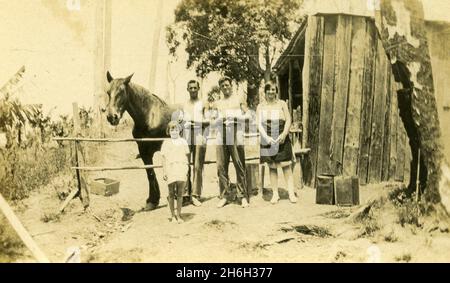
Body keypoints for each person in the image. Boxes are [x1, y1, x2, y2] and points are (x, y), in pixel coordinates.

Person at [209, 76, 250, 208]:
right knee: (221, 166)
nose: (225, 87)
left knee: (239, 165)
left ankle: (242, 195)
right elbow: (212, 122)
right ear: (220, 88)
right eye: (223, 86)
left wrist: (236, 117)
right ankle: (224, 195)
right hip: (221, 135)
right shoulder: (217, 103)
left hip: (236, 133)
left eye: (227, 85)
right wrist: (219, 121)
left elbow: (248, 115)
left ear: (231, 85)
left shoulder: (239, 99)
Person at [256, 81, 298, 204]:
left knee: (286, 166)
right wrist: (266, 138)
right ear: (265, 92)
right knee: (272, 166)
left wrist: (284, 134)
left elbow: (289, 119)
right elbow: (258, 123)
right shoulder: (261, 106)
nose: (271, 92)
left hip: (281, 136)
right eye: (268, 89)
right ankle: (275, 194)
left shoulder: (282, 104)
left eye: (273, 89)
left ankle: (291, 194)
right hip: (267, 137)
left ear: (276, 91)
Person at [181, 80, 207, 207]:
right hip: (186, 135)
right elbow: (181, 121)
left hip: (199, 134)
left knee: (197, 165)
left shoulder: (203, 103)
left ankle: (195, 195)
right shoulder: (184, 104)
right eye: (190, 88)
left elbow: (208, 121)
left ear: (198, 88)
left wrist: (195, 122)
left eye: (195, 88)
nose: (193, 90)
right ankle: (186, 194)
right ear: (187, 89)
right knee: (185, 164)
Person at [160, 121, 190, 223]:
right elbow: (163, 158)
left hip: (181, 168)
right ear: (168, 131)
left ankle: (179, 215)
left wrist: (186, 168)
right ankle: (172, 216)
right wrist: (164, 172)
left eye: (176, 129)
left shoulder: (183, 142)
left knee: (180, 193)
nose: (174, 132)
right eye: (172, 130)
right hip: (170, 169)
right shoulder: (166, 143)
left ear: (179, 130)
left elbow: (187, 156)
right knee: (171, 193)